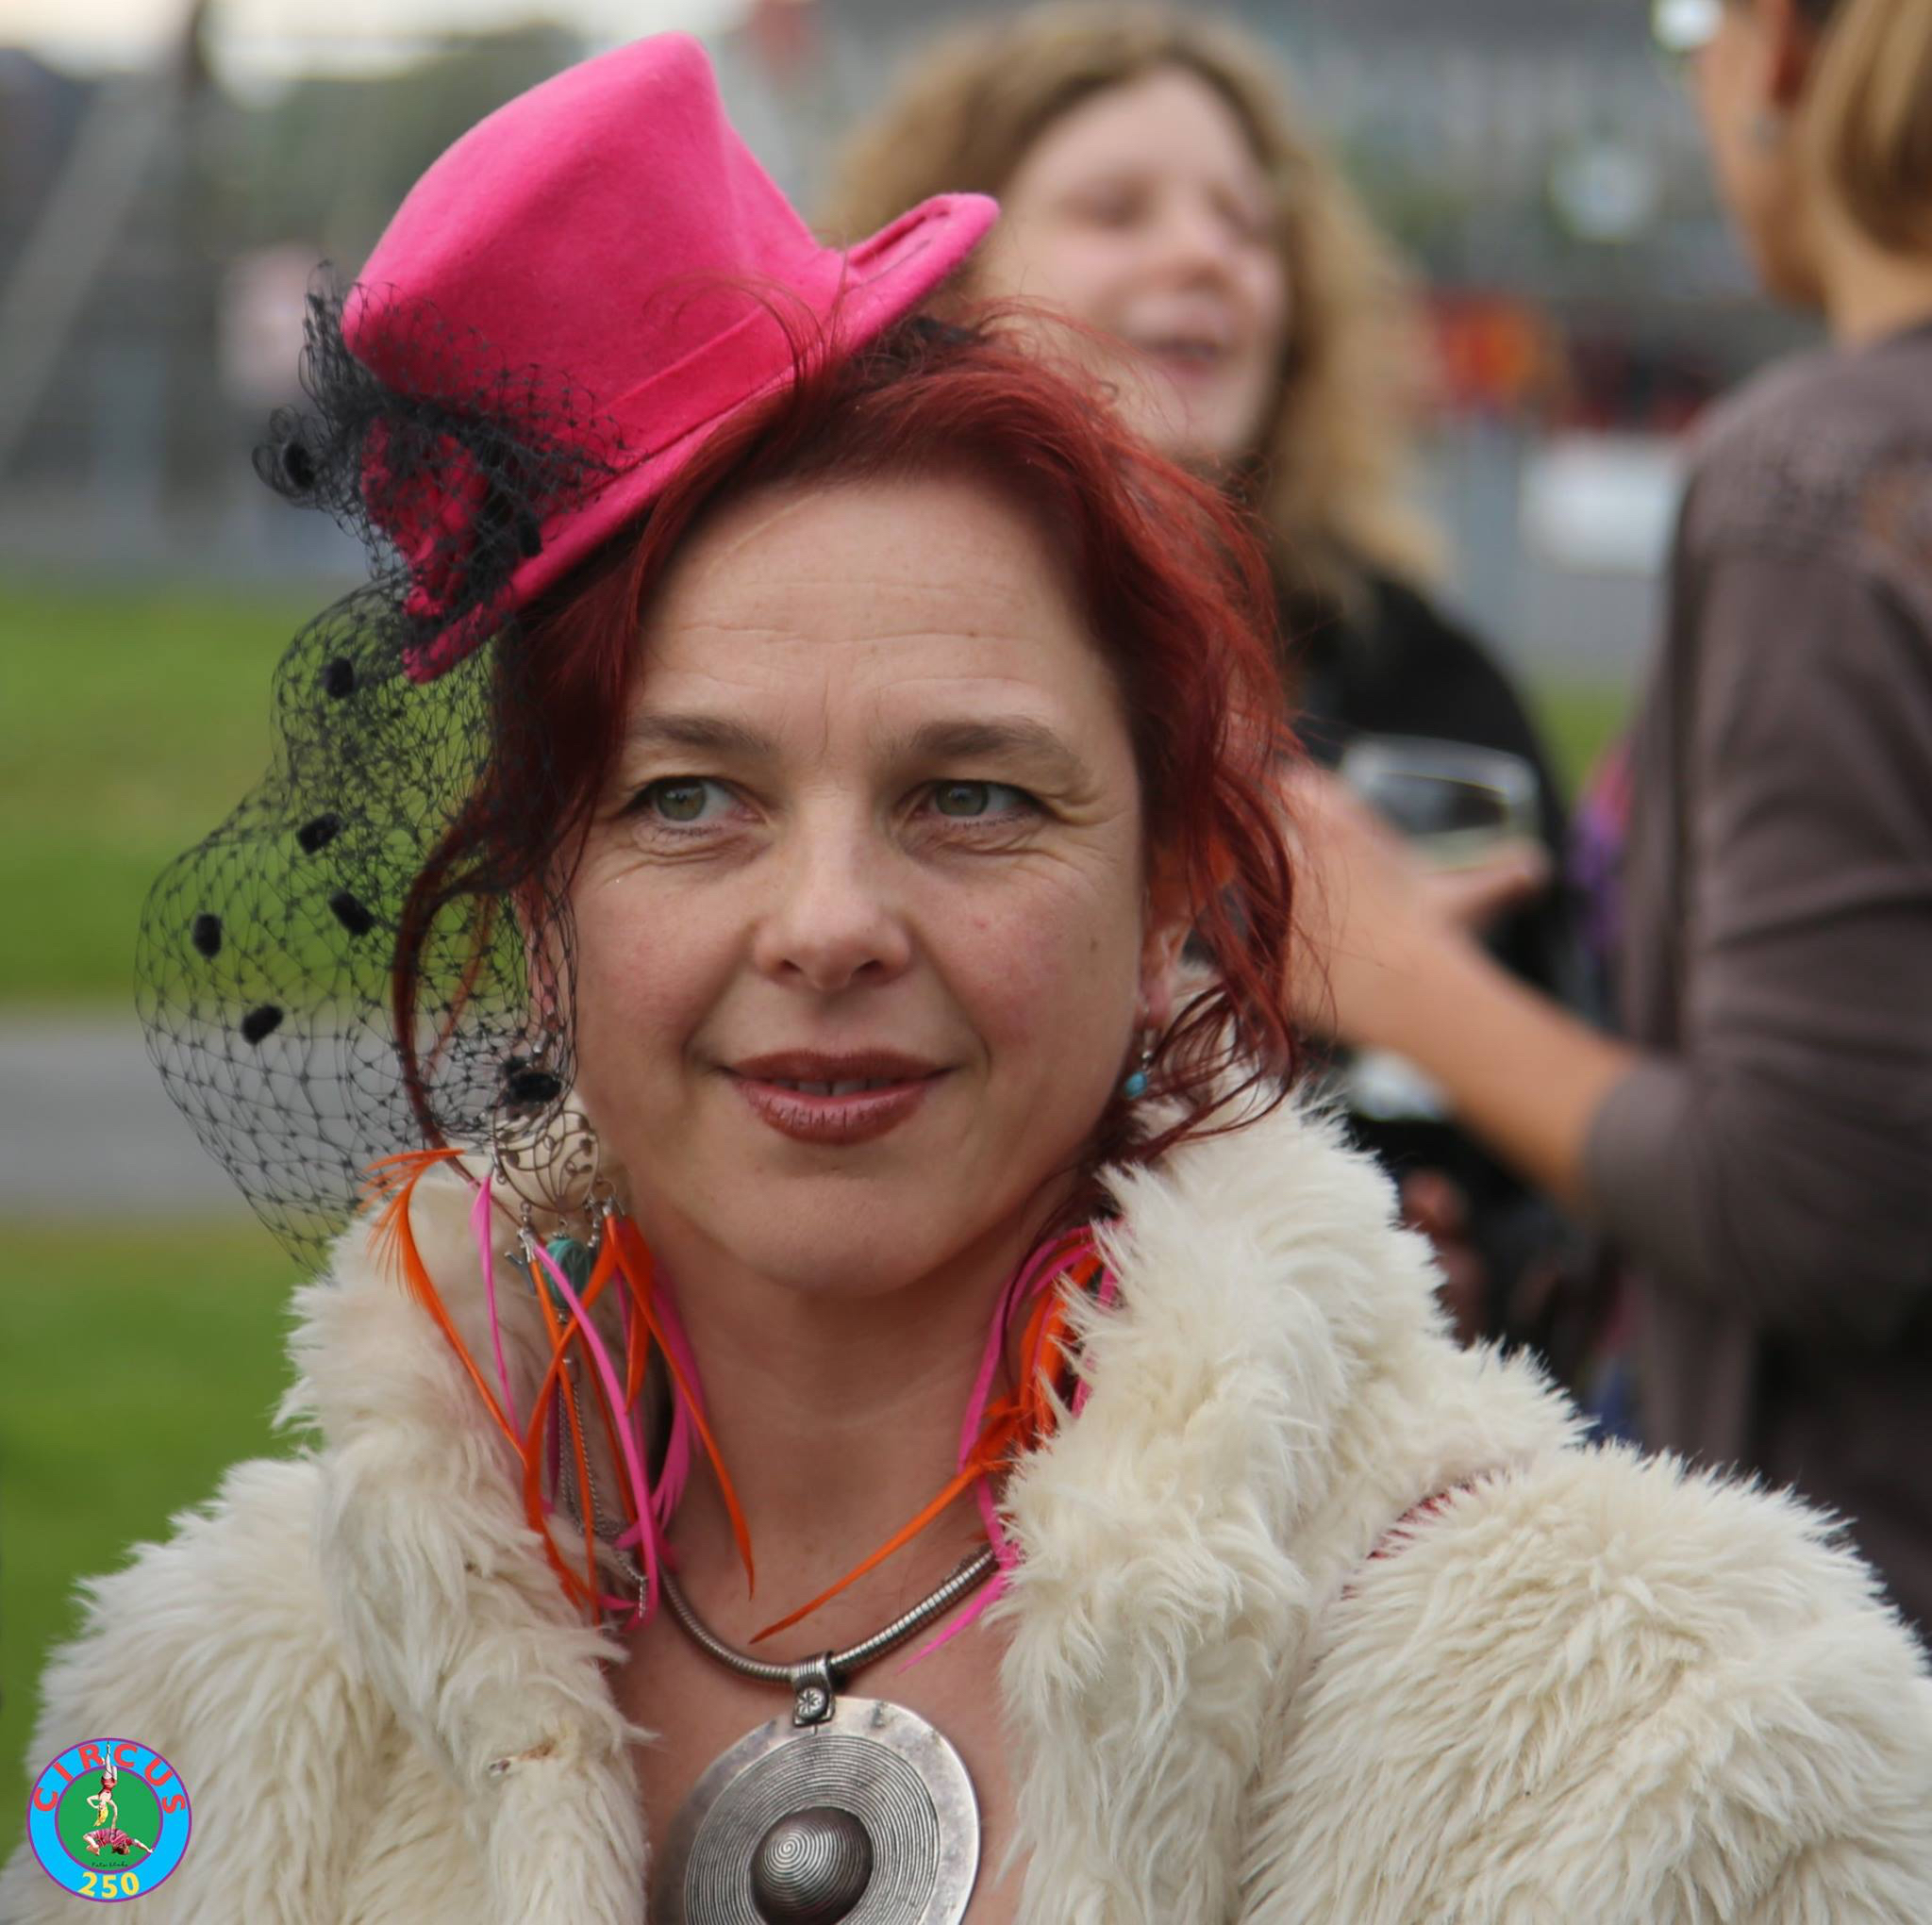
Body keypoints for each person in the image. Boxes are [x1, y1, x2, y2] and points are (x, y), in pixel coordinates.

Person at [7, 33, 1931, 1924]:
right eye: (690, 797)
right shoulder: (182, 1743)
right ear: (541, 914)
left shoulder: (1682, 1753)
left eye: (972, 795)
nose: (829, 918)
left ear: (1174, 884)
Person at [1284, 0, 1932, 1639]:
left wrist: (1390, 973)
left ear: (1785, 52)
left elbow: (1808, 1198)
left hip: (1861, 1651)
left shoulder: (1826, 486)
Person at [824, 4, 1583, 1347]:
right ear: (945, 279)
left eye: (1245, 225)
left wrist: (1486, 1277)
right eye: (1119, 209)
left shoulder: (1425, 677)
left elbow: (1571, 1161)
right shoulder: (826, 635)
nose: (1204, 256)